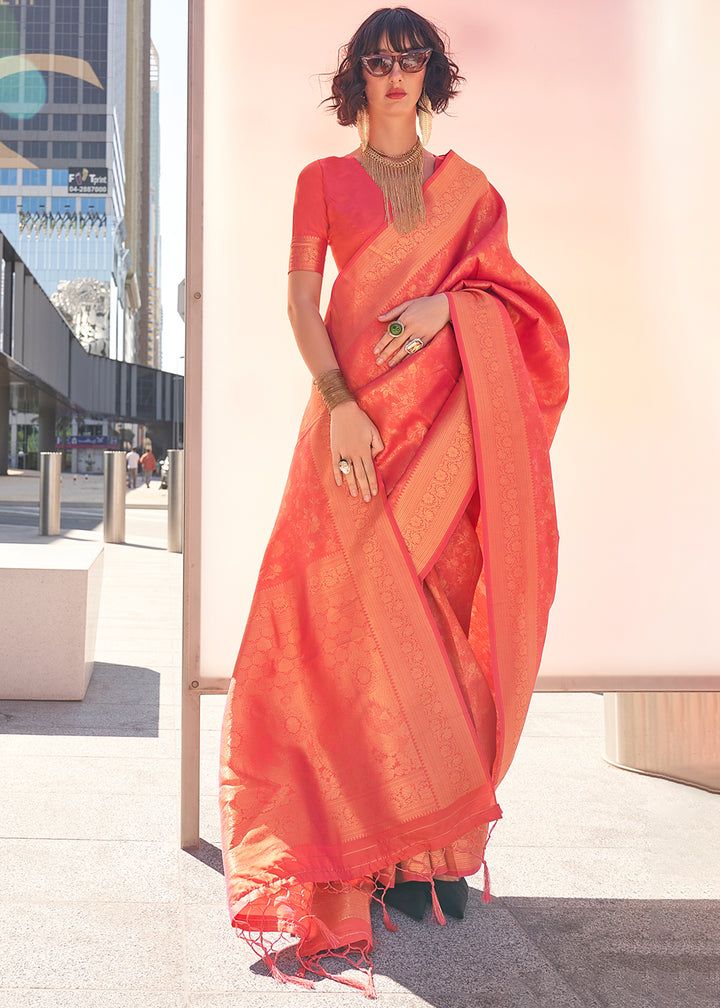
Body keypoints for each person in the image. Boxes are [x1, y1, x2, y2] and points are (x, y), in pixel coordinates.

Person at [219, 7, 569, 995]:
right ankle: (363, 852)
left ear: (432, 76)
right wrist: (337, 404)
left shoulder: (471, 193)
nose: (395, 75)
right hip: (350, 445)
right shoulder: (320, 184)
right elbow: (298, 302)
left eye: (410, 60)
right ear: (357, 81)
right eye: (378, 62)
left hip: (446, 448)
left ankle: (437, 861)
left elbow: (521, 310)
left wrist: (448, 307)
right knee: (340, 646)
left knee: (437, 647)